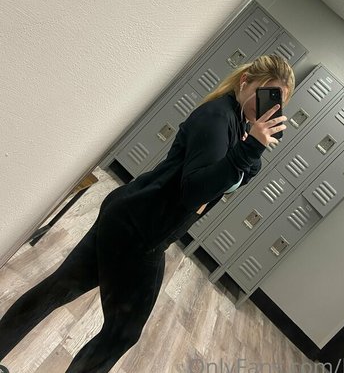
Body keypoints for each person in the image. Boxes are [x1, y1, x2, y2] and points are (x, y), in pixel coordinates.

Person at [0, 54, 295, 373]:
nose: (270, 106)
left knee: (58, 289)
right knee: (121, 333)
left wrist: (253, 148)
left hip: (131, 217)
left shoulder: (240, 124)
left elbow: (234, 178)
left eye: (278, 100)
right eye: (267, 94)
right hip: (140, 231)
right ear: (245, 82)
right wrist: (249, 149)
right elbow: (195, 192)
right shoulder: (218, 118)